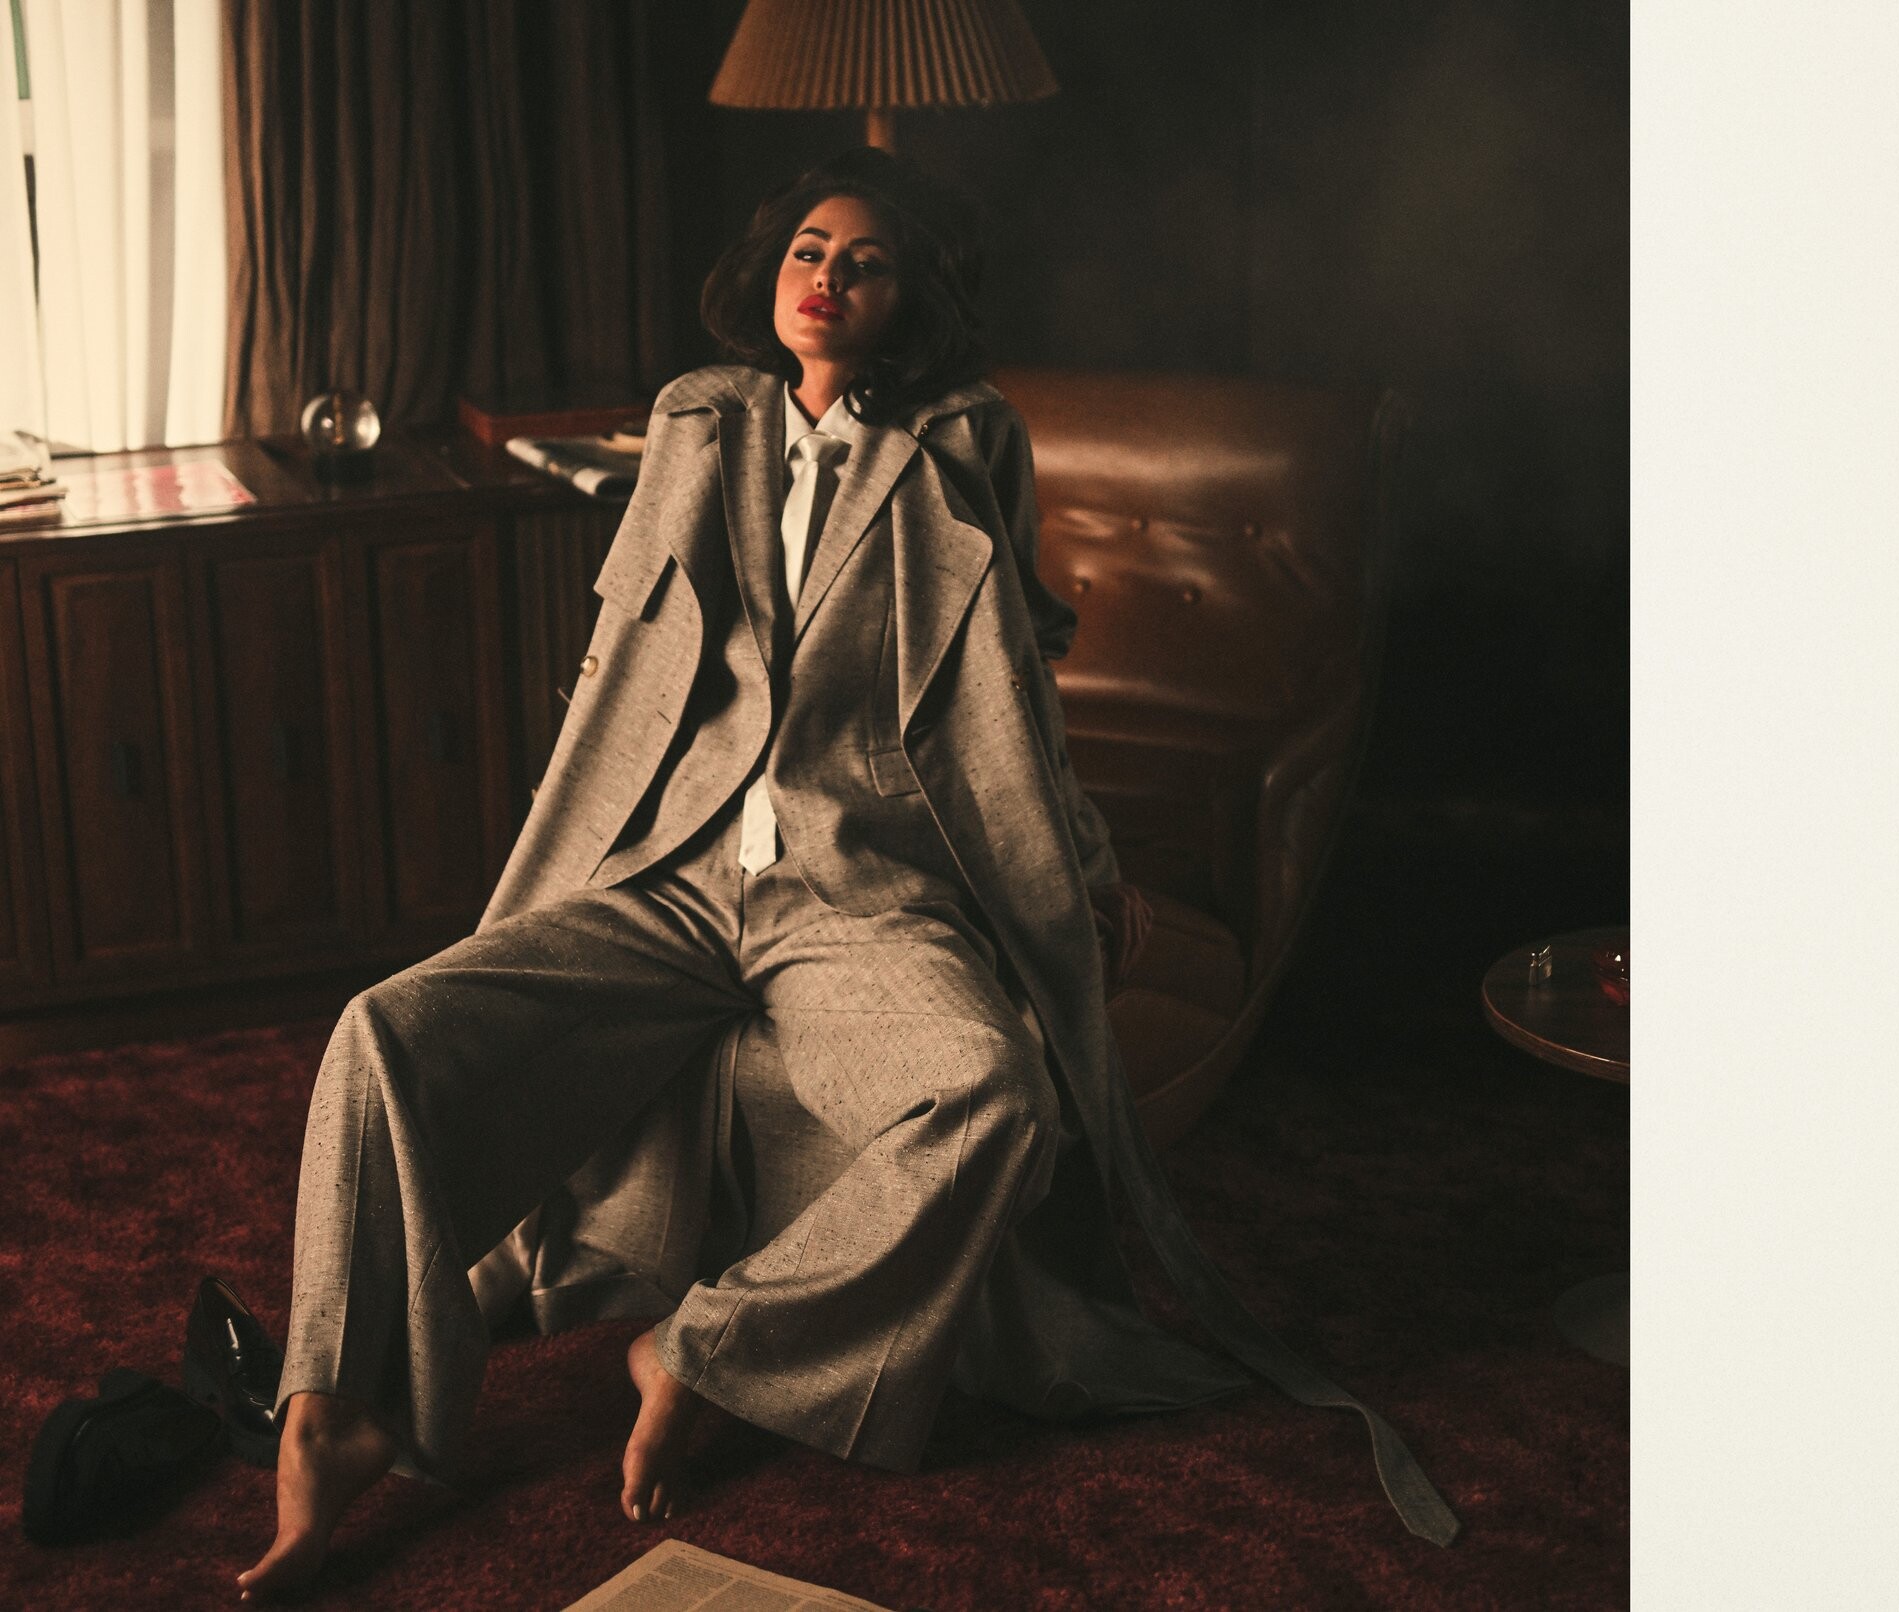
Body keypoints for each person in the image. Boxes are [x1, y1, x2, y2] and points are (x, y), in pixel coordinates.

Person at [240, 147, 1449, 1603]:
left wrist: (1085, 862)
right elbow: (622, 661)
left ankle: (710, 1349)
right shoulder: (700, 419)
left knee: (993, 1092)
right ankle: (343, 1409)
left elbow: (1011, 686)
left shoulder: (963, 443)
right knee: (386, 1032)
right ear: (771, 272)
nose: (826, 278)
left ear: (910, 301)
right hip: (675, 877)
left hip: (856, 893)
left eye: (865, 263)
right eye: (809, 250)